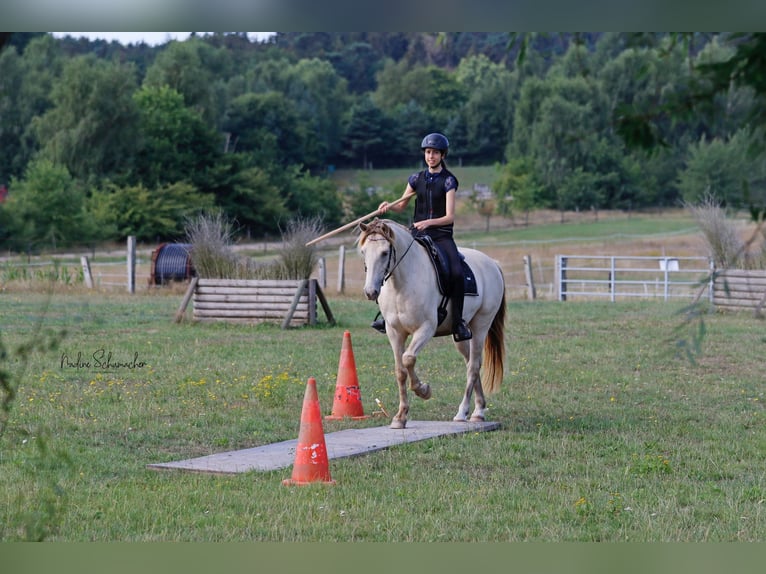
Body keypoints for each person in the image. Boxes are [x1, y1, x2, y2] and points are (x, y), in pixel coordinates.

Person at [372, 132, 472, 342]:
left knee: (455, 271)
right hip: (417, 235)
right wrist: (387, 206)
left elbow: (449, 216)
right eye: (428, 152)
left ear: (443, 155)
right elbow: (400, 206)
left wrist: (429, 222)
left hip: (441, 236)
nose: (431, 156)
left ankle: (459, 323)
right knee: (391, 264)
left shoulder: (449, 181)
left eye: (435, 153)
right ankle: (387, 315)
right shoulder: (416, 179)